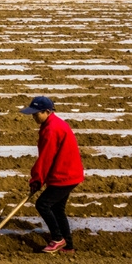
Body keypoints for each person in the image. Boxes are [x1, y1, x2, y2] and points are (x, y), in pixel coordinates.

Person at [22, 95, 84, 254]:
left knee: (42, 204)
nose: (34, 117)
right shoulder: (54, 123)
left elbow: (45, 158)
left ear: (47, 111)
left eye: (37, 114)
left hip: (64, 175)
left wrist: (37, 179)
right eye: (33, 114)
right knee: (58, 209)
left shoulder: (51, 129)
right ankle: (68, 246)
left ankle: (58, 239)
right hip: (69, 173)